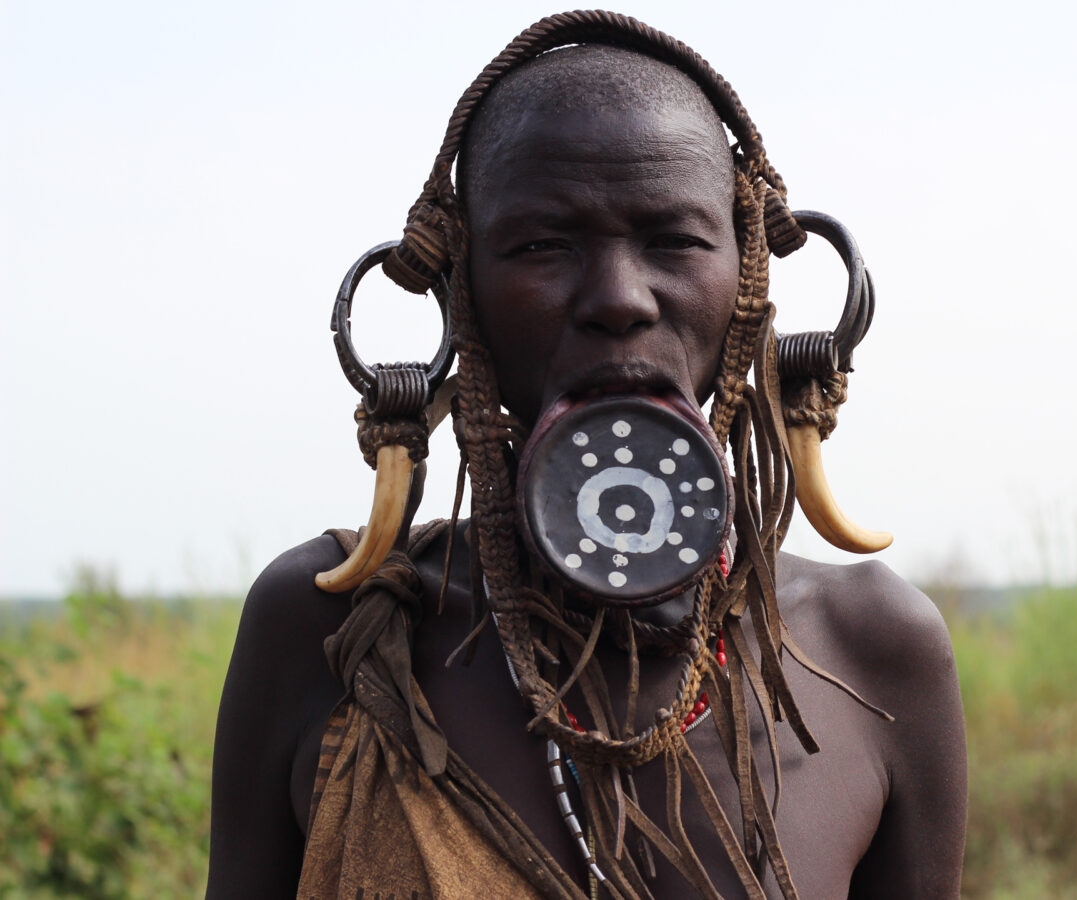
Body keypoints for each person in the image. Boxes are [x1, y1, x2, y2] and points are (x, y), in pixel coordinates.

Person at [208, 11, 965, 899]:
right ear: (462, 292)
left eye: (675, 240)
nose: (618, 299)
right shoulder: (331, 630)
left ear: (749, 273)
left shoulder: (873, 651)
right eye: (541, 246)